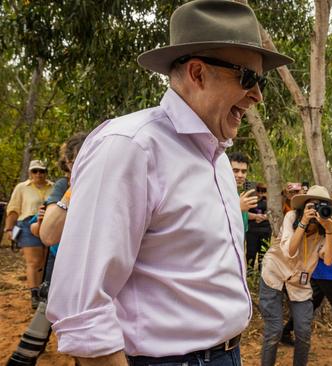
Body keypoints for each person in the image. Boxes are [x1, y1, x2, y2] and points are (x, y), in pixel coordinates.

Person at [45, 1, 293, 365]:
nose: (258, 95)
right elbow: (82, 307)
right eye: (249, 79)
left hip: (226, 355)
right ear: (197, 74)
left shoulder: (218, 159)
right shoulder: (131, 147)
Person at [6, 133, 87, 366]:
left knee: (78, 311)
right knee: (49, 304)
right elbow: (43, 230)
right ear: (69, 163)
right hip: (60, 256)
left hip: (87, 259)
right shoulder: (63, 186)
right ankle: (24, 356)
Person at [259, 185, 332, 366]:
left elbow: (328, 260)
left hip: (299, 283)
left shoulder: (323, 229)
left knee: (303, 332)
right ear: (303, 206)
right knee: (274, 330)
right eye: (312, 206)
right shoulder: (292, 217)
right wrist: (303, 222)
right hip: (274, 274)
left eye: (322, 206)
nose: (316, 210)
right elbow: (289, 251)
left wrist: (329, 230)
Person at [282, 190, 332, 355]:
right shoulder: (329, 220)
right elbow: (320, 247)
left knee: (310, 305)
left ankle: (285, 331)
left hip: (324, 271)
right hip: (328, 273)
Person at [4, 159, 53, 309]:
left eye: (42, 171)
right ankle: (34, 294)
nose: (39, 174)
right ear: (30, 172)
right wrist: (9, 229)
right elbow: (14, 209)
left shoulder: (54, 187)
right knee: (34, 261)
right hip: (26, 224)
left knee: (46, 262)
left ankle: (44, 293)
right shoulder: (22, 188)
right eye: (35, 171)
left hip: (49, 224)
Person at [229, 152, 258, 233]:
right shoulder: (219, 193)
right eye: (235, 171)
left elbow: (243, 215)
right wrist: (239, 208)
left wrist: (257, 216)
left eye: (244, 171)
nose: (240, 175)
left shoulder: (238, 194)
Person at [246, 183, 271, 272]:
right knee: (251, 253)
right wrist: (256, 216)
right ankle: (249, 274)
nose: (260, 193)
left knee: (263, 254)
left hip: (265, 231)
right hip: (252, 231)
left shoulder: (269, 201)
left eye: (263, 191)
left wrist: (263, 217)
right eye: (259, 190)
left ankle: (261, 274)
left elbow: (274, 213)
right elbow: (244, 214)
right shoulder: (249, 201)